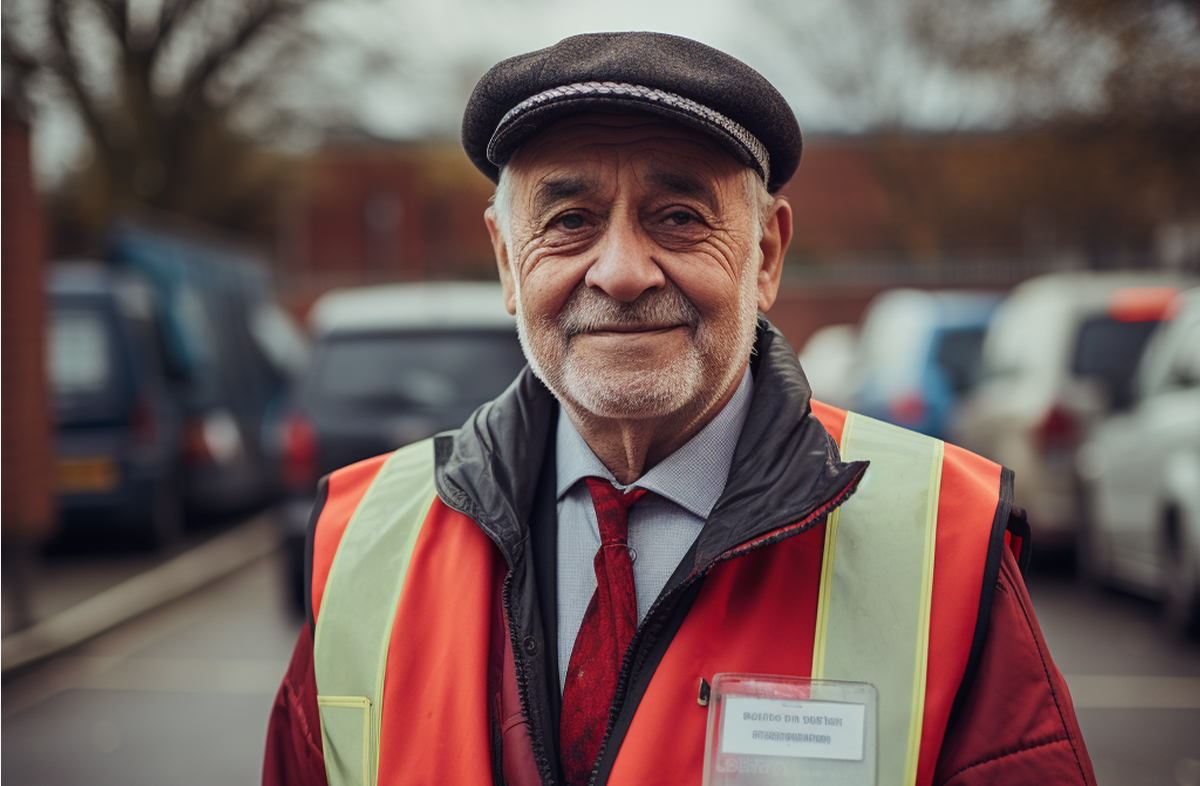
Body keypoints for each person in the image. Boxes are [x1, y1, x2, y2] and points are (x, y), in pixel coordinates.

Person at [264, 32, 1096, 786]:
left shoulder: (946, 541)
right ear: (507, 263)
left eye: (679, 216)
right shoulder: (362, 538)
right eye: (571, 220)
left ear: (765, 255)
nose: (622, 271)